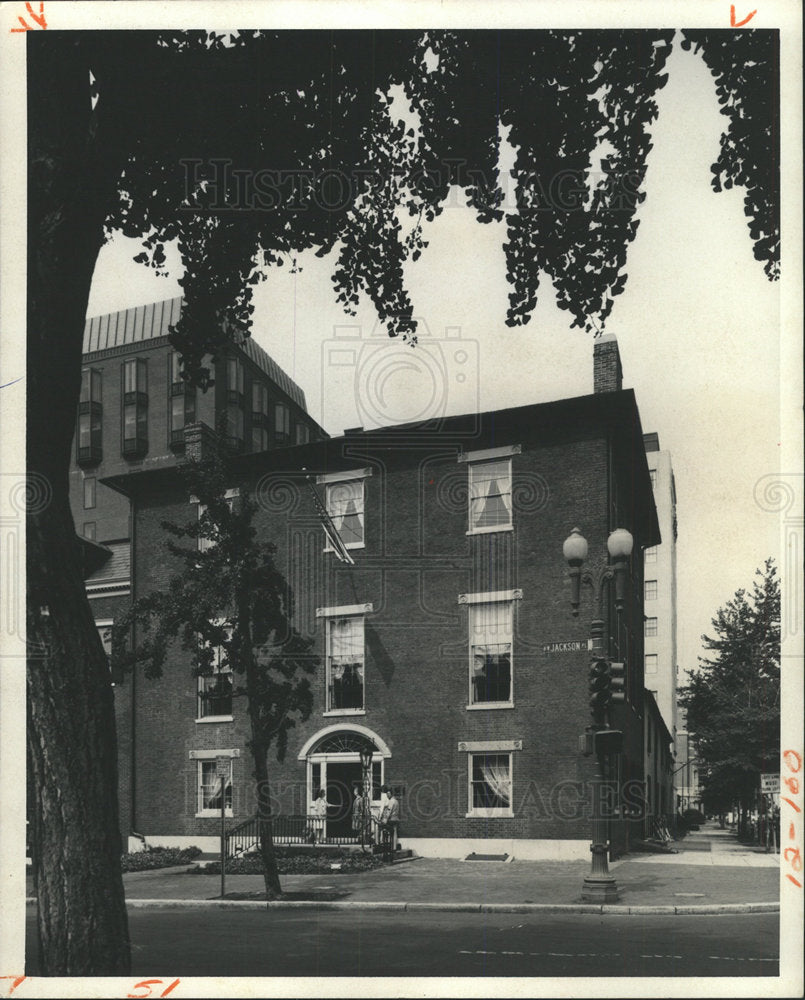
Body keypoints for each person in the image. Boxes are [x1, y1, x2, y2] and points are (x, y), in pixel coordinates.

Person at [379, 784, 400, 858]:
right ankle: (394, 847)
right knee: (394, 833)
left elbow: (388, 812)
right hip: (396, 819)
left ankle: (385, 846)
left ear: (390, 793)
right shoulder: (396, 801)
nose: (387, 795)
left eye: (388, 794)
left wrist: (384, 820)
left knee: (385, 830)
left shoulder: (391, 801)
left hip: (391, 820)